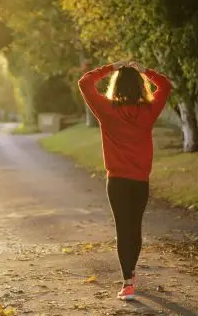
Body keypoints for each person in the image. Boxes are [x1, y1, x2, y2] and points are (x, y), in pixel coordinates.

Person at [78, 60, 172, 301]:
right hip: (140, 180)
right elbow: (166, 85)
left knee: (123, 228)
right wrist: (145, 71)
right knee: (135, 226)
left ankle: (128, 281)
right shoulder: (148, 111)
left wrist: (111, 67)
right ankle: (131, 274)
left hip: (117, 181)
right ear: (140, 87)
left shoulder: (107, 110)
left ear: (116, 85)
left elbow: (85, 82)